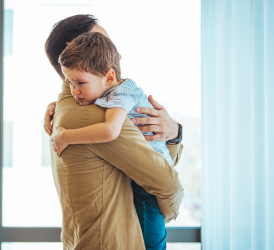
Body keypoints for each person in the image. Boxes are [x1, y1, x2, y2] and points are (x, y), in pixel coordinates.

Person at [44, 14, 184, 250]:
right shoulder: (96, 116)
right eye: (102, 42)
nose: (115, 53)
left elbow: (152, 155)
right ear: (78, 53)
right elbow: (165, 182)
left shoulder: (67, 108)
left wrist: (174, 133)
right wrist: (167, 213)